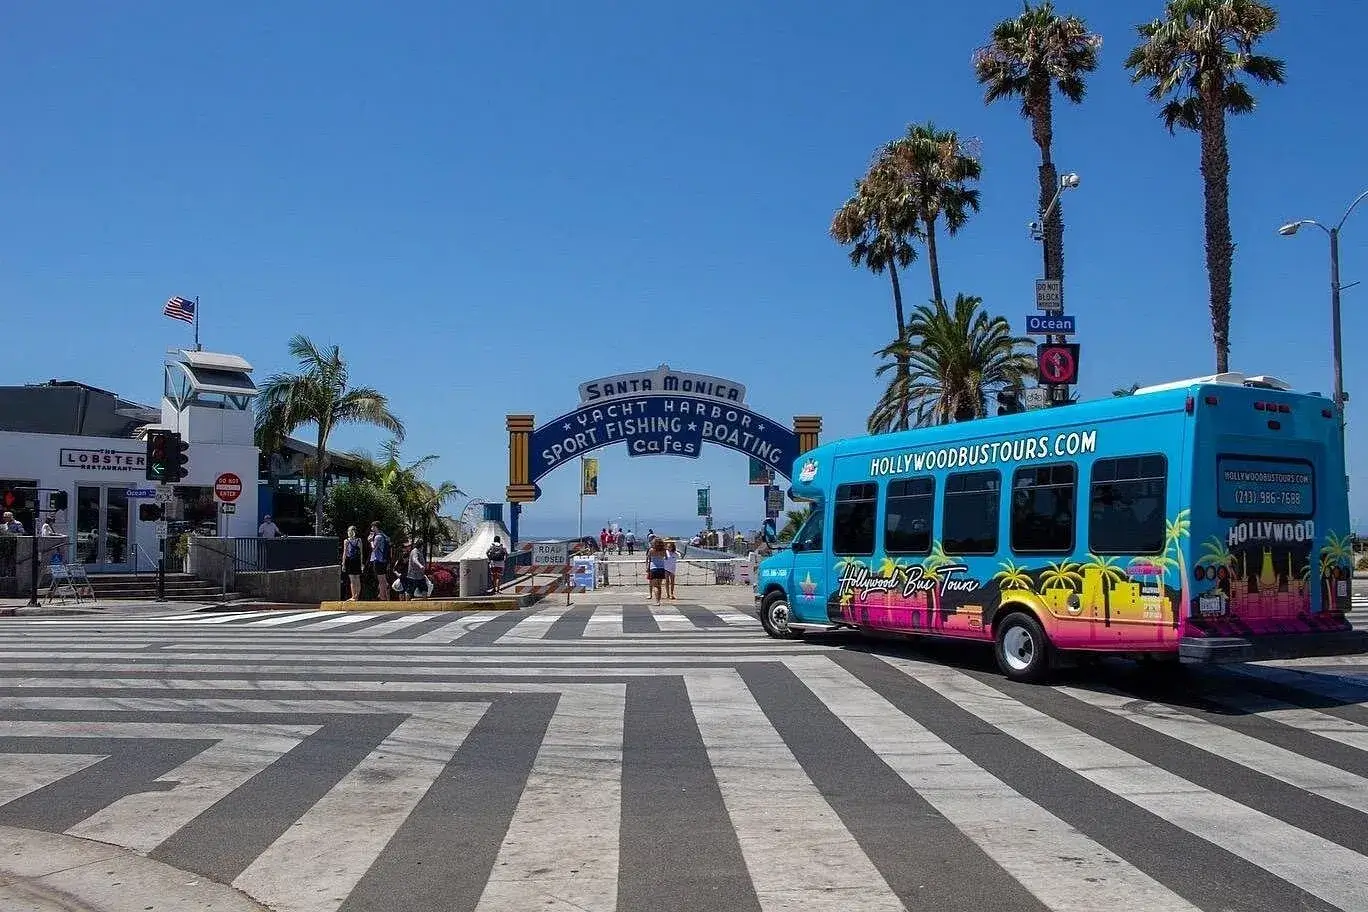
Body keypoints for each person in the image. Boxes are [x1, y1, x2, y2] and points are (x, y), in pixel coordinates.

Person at [367, 522, 391, 600]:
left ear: (375, 527)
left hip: (378, 560)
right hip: (384, 560)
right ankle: (384, 595)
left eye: (372, 527)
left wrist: (371, 541)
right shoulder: (383, 535)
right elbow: (389, 540)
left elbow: (374, 548)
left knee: (381, 580)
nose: (371, 528)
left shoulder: (377, 537)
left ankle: (383, 596)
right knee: (383, 579)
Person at [342, 525, 363, 601]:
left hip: (350, 561)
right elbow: (361, 553)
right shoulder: (359, 540)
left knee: (352, 580)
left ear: (349, 532)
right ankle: (357, 596)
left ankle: (353, 596)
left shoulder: (346, 541)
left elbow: (345, 553)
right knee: (357, 579)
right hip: (357, 561)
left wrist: (343, 564)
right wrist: (361, 563)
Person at [645, 537, 668, 605]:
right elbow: (666, 558)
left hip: (653, 568)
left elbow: (648, 559)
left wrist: (647, 567)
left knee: (655, 586)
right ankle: (659, 600)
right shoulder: (664, 550)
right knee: (659, 586)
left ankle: (657, 601)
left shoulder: (651, 550)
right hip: (661, 568)